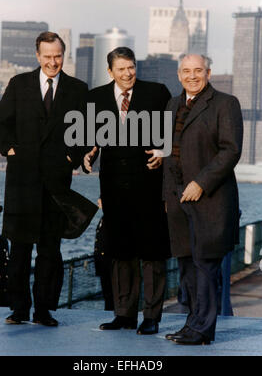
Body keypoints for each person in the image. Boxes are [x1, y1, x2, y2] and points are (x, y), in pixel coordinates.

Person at [0, 31, 88, 326]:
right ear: (37, 55)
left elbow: (86, 130)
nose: (52, 62)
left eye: (57, 56)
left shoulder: (77, 89)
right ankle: (19, 309)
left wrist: (74, 154)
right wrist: (8, 148)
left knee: (50, 250)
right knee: (19, 249)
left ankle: (44, 310)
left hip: (56, 183)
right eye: (47, 56)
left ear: (63, 55)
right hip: (21, 182)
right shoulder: (19, 85)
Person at [84, 46, 171, 335]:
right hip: (113, 187)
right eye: (121, 69)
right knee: (120, 252)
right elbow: (89, 138)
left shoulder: (157, 93)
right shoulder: (95, 98)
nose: (128, 73)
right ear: (110, 71)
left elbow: (172, 132)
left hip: (149, 185)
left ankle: (152, 315)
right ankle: (123, 314)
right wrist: (87, 154)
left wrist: (163, 150)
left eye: (131, 67)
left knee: (152, 253)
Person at [162, 53, 243, 345]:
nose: (192, 76)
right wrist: (167, 198)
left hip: (210, 201)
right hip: (178, 201)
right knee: (186, 266)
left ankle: (203, 330)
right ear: (178, 74)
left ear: (209, 72)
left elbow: (230, 150)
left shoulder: (225, 103)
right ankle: (192, 323)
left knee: (205, 267)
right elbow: (170, 153)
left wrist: (200, 182)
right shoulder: (173, 104)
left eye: (198, 70)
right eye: (186, 71)